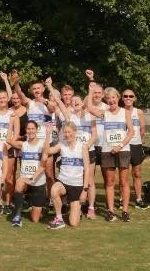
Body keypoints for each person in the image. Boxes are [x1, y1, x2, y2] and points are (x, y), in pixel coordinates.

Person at [85, 84, 134, 222]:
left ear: (118, 98)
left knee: (124, 182)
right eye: (108, 98)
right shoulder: (104, 113)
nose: (111, 100)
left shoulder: (125, 112)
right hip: (107, 151)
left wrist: (119, 146)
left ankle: (125, 211)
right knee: (110, 182)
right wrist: (90, 91)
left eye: (113, 97)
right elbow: (89, 108)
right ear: (106, 100)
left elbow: (131, 132)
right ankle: (111, 211)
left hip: (123, 150)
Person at [49, 89, 99, 219]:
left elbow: (94, 135)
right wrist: (49, 87)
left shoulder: (90, 116)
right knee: (71, 177)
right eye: (73, 101)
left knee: (89, 180)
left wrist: (85, 147)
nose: (75, 102)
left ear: (82, 103)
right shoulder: (69, 116)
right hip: (72, 152)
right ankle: (70, 205)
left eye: (77, 100)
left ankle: (90, 207)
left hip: (88, 150)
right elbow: (59, 102)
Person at [11, 71, 56, 191]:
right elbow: (20, 94)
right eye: (34, 89)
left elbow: (52, 109)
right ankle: (29, 196)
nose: (36, 90)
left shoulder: (48, 102)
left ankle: (50, 198)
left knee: (49, 173)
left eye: (38, 88)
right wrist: (16, 83)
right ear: (31, 91)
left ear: (43, 89)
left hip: (46, 142)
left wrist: (44, 101)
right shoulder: (29, 103)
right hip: (31, 143)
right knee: (28, 171)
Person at [45, 122, 90, 229]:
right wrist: (48, 134)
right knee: (54, 189)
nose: (67, 134)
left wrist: (85, 191)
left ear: (75, 132)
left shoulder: (82, 147)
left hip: (77, 186)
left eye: (69, 132)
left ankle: (76, 210)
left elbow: (87, 169)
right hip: (63, 182)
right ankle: (59, 218)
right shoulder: (61, 145)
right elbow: (47, 151)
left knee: (74, 223)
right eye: (65, 132)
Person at [7, 120, 48, 227]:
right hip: (25, 181)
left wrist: (48, 134)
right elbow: (8, 140)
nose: (30, 131)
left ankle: (35, 206)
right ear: (25, 130)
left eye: (33, 129)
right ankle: (17, 215)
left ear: (37, 130)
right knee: (19, 182)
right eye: (28, 129)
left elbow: (43, 165)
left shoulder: (42, 144)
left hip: (38, 182)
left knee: (35, 219)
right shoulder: (23, 144)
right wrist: (11, 123)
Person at [0, 89, 18, 214]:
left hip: (9, 148)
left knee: (8, 177)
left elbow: (16, 133)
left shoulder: (13, 114)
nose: (2, 100)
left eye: (4, 98)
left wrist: (8, 145)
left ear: (7, 99)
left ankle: (8, 203)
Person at [122, 88, 149, 210]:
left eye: (131, 96)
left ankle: (138, 199)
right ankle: (122, 199)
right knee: (123, 175)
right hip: (124, 146)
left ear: (135, 98)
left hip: (136, 145)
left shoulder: (139, 112)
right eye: (126, 96)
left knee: (137, 173)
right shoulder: (119, 111)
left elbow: (142, 130)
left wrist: (138, 141)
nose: (128, 98)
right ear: (122, 98)